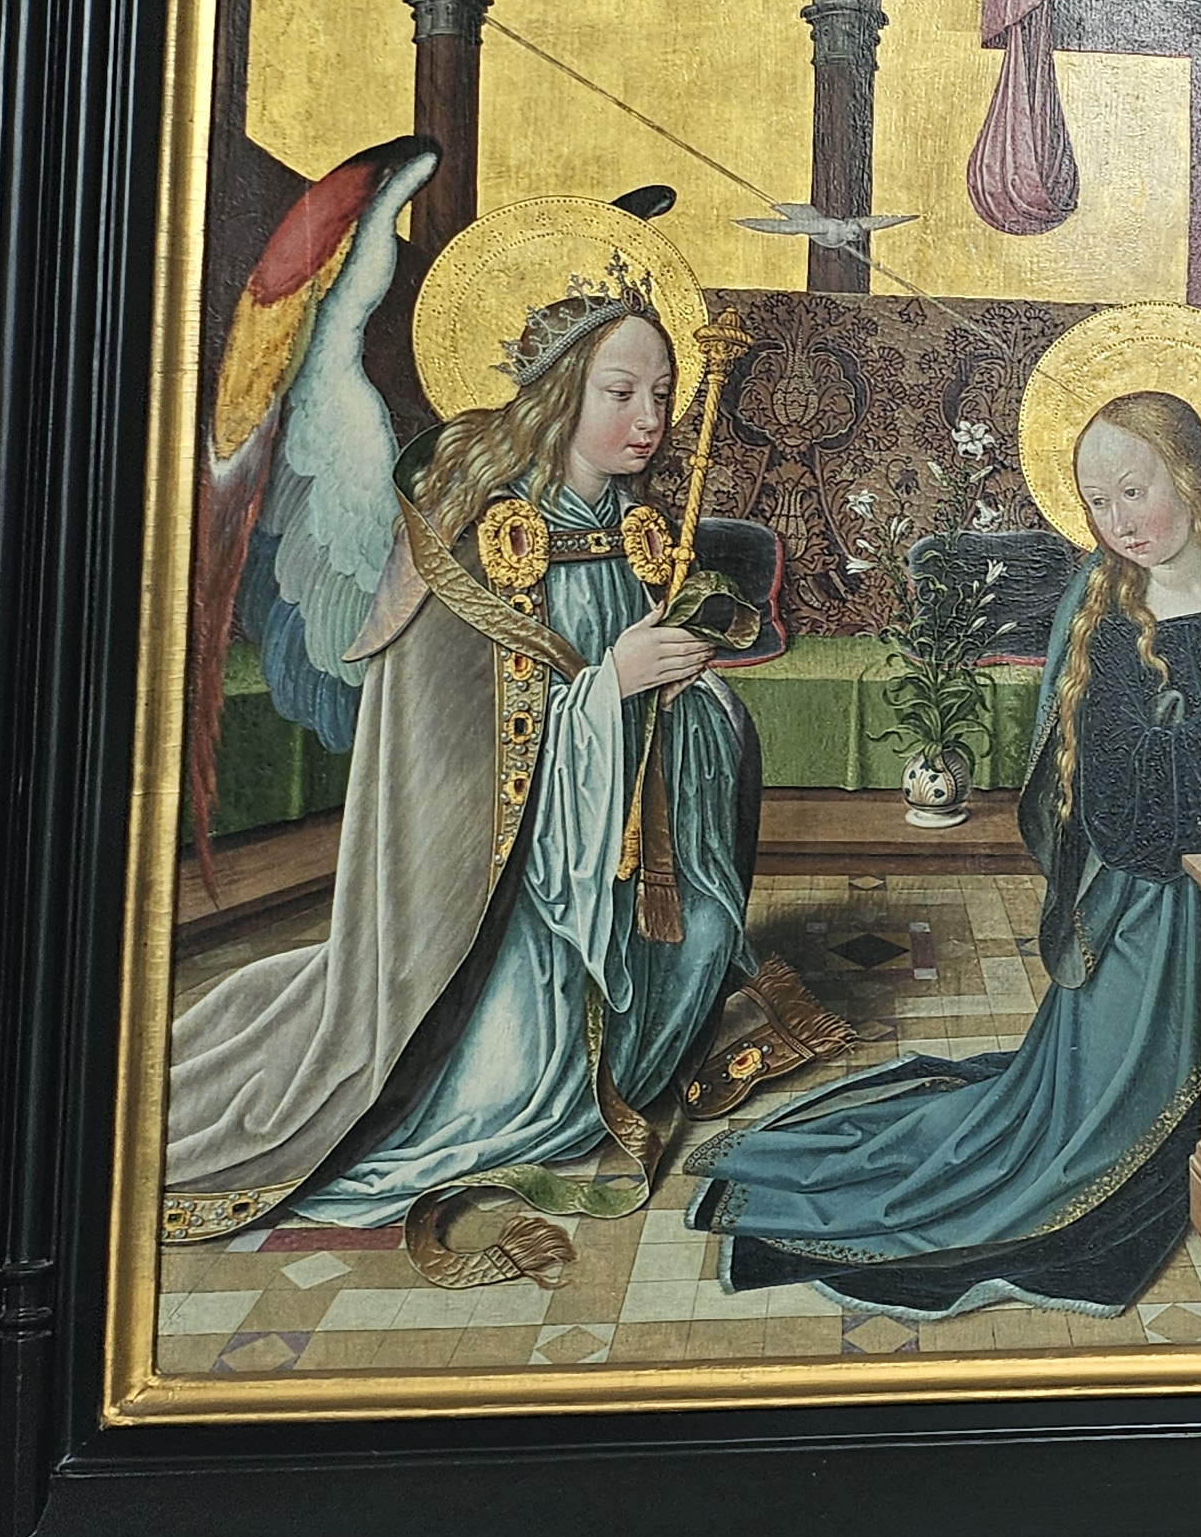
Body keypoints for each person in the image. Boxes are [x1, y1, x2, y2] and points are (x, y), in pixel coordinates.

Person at [690, 382, 1201, 1317]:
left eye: (1136, 491)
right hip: (1152, 909)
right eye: (1098, 503)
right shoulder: (1105, 616)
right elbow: (1113, 809)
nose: (1120, 523)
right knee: (1093, 1151)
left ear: (1191, 475)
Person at [161, 257, 758, 1287]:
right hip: (501, 903)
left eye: (663, 395)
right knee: (510, 1087)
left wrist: (681, 689)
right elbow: (447, 746)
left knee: (704, 934)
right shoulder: (479, 538)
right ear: (560, 395)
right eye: (622, 392)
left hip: (617, 863)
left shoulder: (637, 537)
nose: (651, 420)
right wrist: (608, 689)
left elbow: (663, 709)